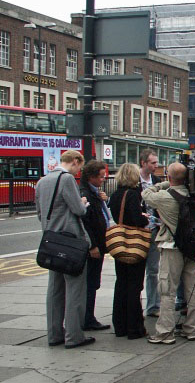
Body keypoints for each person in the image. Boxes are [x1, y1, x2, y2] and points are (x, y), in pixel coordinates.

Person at [35, 150, 95, 349]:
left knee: (55, 289)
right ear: (76, 161)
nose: (79, 171)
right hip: (70, 243)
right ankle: (74, 336)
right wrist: (83, 203)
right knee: (75, 290)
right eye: (80, 166)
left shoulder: (42, 181)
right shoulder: (67, 179)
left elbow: (39, 213)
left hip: (51, 242)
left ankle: (54, 334)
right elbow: (78, 210)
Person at [142, 162, 195, 344]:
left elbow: (146, 194)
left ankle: (165, 332)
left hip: (172, 247)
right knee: (193, 290)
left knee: (167, 290)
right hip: (193, 247)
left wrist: (163, 184)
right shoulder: (194, 196)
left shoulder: (164, 197)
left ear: (169, 177)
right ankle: (191, 329)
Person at [108, 163, 150, 339]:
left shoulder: (115, 194)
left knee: (121, 284)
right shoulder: (133, 195)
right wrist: (144, 218)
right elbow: (135, 220)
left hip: (119, 243)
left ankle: (120, 325)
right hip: (133, 243)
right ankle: (134, 328)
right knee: (134, 286)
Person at [78, 159, 112, 332]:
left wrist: (102, 200)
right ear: (91, 177)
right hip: (93, 246)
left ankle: (88, 317)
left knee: (93, 282)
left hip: (99, 243)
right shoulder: (85, 193)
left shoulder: (94, 192)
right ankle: (87, 319)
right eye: (100, 176)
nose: (103, 179)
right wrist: (92, 246)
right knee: (91, 283)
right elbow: (86, 222)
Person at [139, 149, 162, 318]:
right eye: (153, 163)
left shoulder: (157, 180)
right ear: (143, 163)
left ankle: (153, 306)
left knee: (153, 270)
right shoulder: (134, 180)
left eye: (156, 162)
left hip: (154, 230)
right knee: (137, 271)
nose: (156, 166)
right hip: (138, 232)